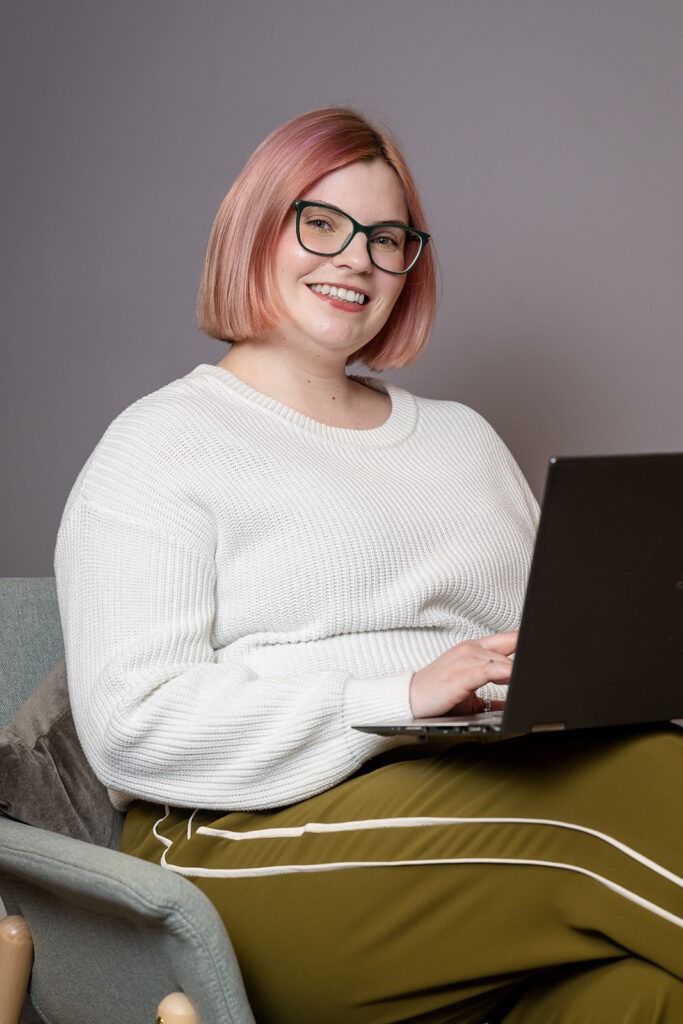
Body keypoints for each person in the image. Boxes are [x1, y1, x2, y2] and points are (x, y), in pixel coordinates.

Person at [55, 107, 683, 1023]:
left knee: (641, 987)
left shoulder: (464, 441)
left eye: (387, 239)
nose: (355, 259)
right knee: (635, 793)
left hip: (473, 793)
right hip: (236, 839)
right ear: (253, 231)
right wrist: (395, 696)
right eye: (320, 223)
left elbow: (546, 654)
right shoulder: (159, 445)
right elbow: (131, 725)